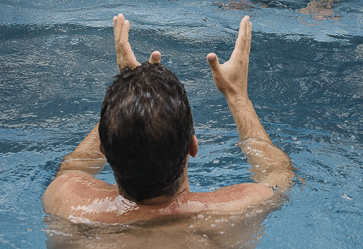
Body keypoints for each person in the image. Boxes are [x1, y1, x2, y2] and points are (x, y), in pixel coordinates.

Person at [42, 14, 293, 224]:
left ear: (103, 150)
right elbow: (280, 176)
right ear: (193, 147)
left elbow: (73, 167)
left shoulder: (67, 200)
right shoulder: (232, 211)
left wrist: (127, 94)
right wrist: (237, 96)